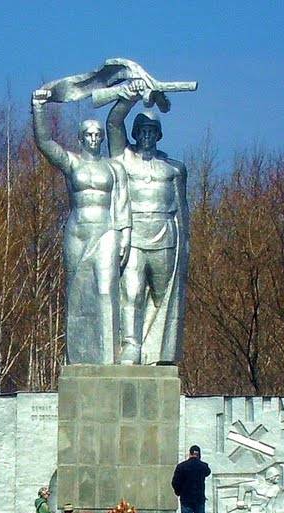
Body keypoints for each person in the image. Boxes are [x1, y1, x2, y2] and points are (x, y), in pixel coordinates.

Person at [32, 89, 131, 365]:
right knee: (76, 292)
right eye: (89, 134)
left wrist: (125, 235)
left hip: (106, 231)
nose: (94, 139)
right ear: (80, 138)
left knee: (105, 290)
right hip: (77, 231)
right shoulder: (71, 162)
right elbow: (44, 141)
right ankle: (78, 358)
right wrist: (39, 107)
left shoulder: (114, 169)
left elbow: (122, 204)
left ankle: (108, 358)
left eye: (98, 135)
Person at [107, 87, 189, 364]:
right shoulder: (123, 158)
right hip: (133, 236)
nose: (146, 135)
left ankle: (157, 352)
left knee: (162, 296)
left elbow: (183, 208)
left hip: (165, 234)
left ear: (158, 134)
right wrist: (132, 95)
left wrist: (185, 245)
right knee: (131, 293)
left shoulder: (174, 168)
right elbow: (113, 122)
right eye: (141, 130)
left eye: (151, 131)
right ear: (135, 133)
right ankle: (131, 346)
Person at [171, 445, 211, 513]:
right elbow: (208, 472)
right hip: (199, 499)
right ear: (199, 455)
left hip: (186, 499)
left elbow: (175, 482)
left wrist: (179, 492)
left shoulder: (181, 466)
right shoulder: (203, 466)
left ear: (190, 453)